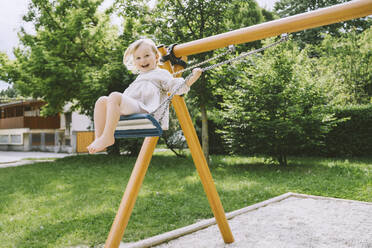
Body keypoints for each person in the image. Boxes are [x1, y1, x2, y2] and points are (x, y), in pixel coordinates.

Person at [87, 38, 202, 154]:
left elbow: (176, 86)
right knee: (101, 101)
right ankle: (99, 137)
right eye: (138, 58)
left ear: (156, 57)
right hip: (132, 106)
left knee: (114, 96)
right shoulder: (140, 77)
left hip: (145, 109)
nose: (143, 60)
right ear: (135, 61)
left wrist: (192, 78)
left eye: (146, 55)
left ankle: (107, 137)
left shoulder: (161, 73)